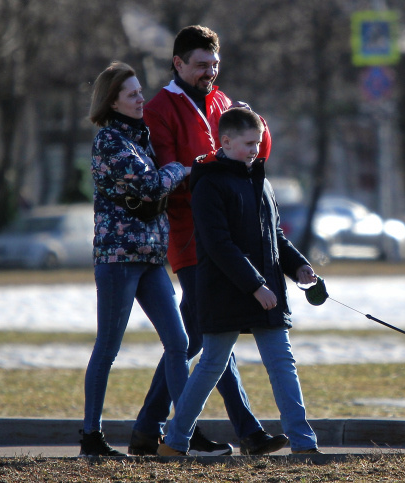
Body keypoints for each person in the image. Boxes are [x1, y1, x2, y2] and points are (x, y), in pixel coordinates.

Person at [130, 24, 285, 456]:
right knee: (204, 335)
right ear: (178, 63)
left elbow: (255, 154)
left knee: (205, 335)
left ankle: (150, 429)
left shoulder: (222, 102)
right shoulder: (160, 109)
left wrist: (257, 123)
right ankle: (236, 430)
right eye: (201, 65)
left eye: (214, 64)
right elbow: (170, 173)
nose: (210, 72)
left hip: (228, 238)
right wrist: (213, 167)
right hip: (191, 237)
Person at [157, 107, 321, 456]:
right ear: (226, 141)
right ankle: (175, 441)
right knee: (211, 365)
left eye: (258, 143)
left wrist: (299, 267)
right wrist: (255, 285)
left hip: (266, 292)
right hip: (225, 293)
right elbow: (218, 244)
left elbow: (274, 236)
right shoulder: (209, 183)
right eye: (249, 144)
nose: (255, 150)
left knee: (282, 362)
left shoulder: (260, 180)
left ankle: (304, 444)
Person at [81, 61, 190, 457]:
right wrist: (179, 168)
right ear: (113, 102)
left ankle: (182, 432)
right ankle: (91, 436)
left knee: (178, 342)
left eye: (141, 91)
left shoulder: (141, 138)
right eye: (132, 94)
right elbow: (149, 185)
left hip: (151, 257)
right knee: (108, 348)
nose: (141, 98)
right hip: (118, 259)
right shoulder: (110, 142)